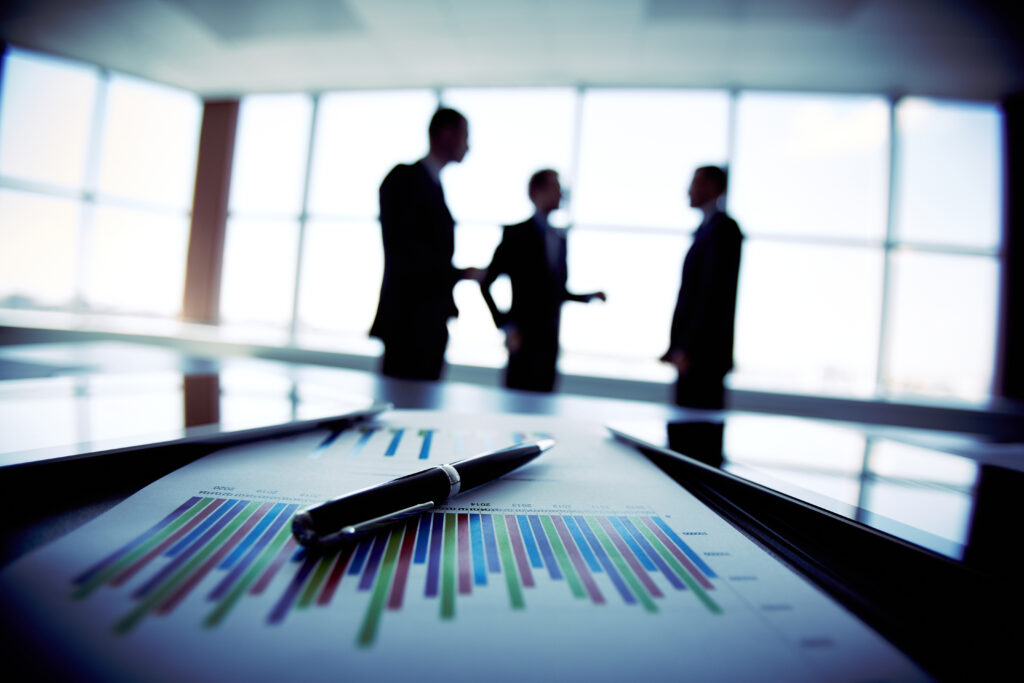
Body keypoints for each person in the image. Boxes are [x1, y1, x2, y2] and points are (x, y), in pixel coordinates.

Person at [369, 108, 485, 380]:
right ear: (445, 134)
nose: (468, 145)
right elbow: (407, 253)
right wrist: (461, 273)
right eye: (464, 135)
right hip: (409, 324)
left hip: (429, 323)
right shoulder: (405, 178)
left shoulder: (433, 184)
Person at [480, 169, 606, 392]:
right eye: (555, 188)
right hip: (523, 342)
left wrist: (588, 296)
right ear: (535, 192)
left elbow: (555, 292)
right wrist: (507, 327)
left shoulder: (559, 238)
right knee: (516, 403)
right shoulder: (516, 234)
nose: (560, 194)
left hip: (550, 344)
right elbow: (486, 283)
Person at [661, 165, 743, 409]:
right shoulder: (705, 230)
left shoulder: (724, 229)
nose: (689, 190)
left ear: (713, 187)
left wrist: (687, 348)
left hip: (703, 356)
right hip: (693, 353)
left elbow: (712, 296)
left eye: (695, 183)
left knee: (696, 432)